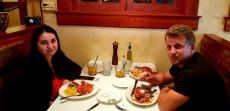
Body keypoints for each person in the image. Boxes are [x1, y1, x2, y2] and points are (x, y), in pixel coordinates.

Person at [140, 24, 228, 111]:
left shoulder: (194, 73)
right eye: (169, 47)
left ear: (192, 48)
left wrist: (165, 89)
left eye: (178, 46)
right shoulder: (183, 60)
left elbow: (163, 107)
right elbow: (165, 76)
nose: (172, 52)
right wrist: (151, 78)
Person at [2, 25, 82, 111]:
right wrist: (51, 104)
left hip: (62, 101)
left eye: (53, 41)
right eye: (44, 43)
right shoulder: (30, 67)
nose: (50, 46)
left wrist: (67, 79)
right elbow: (30, 101)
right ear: (35, 45)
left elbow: (76, 68)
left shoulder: (57, 55)